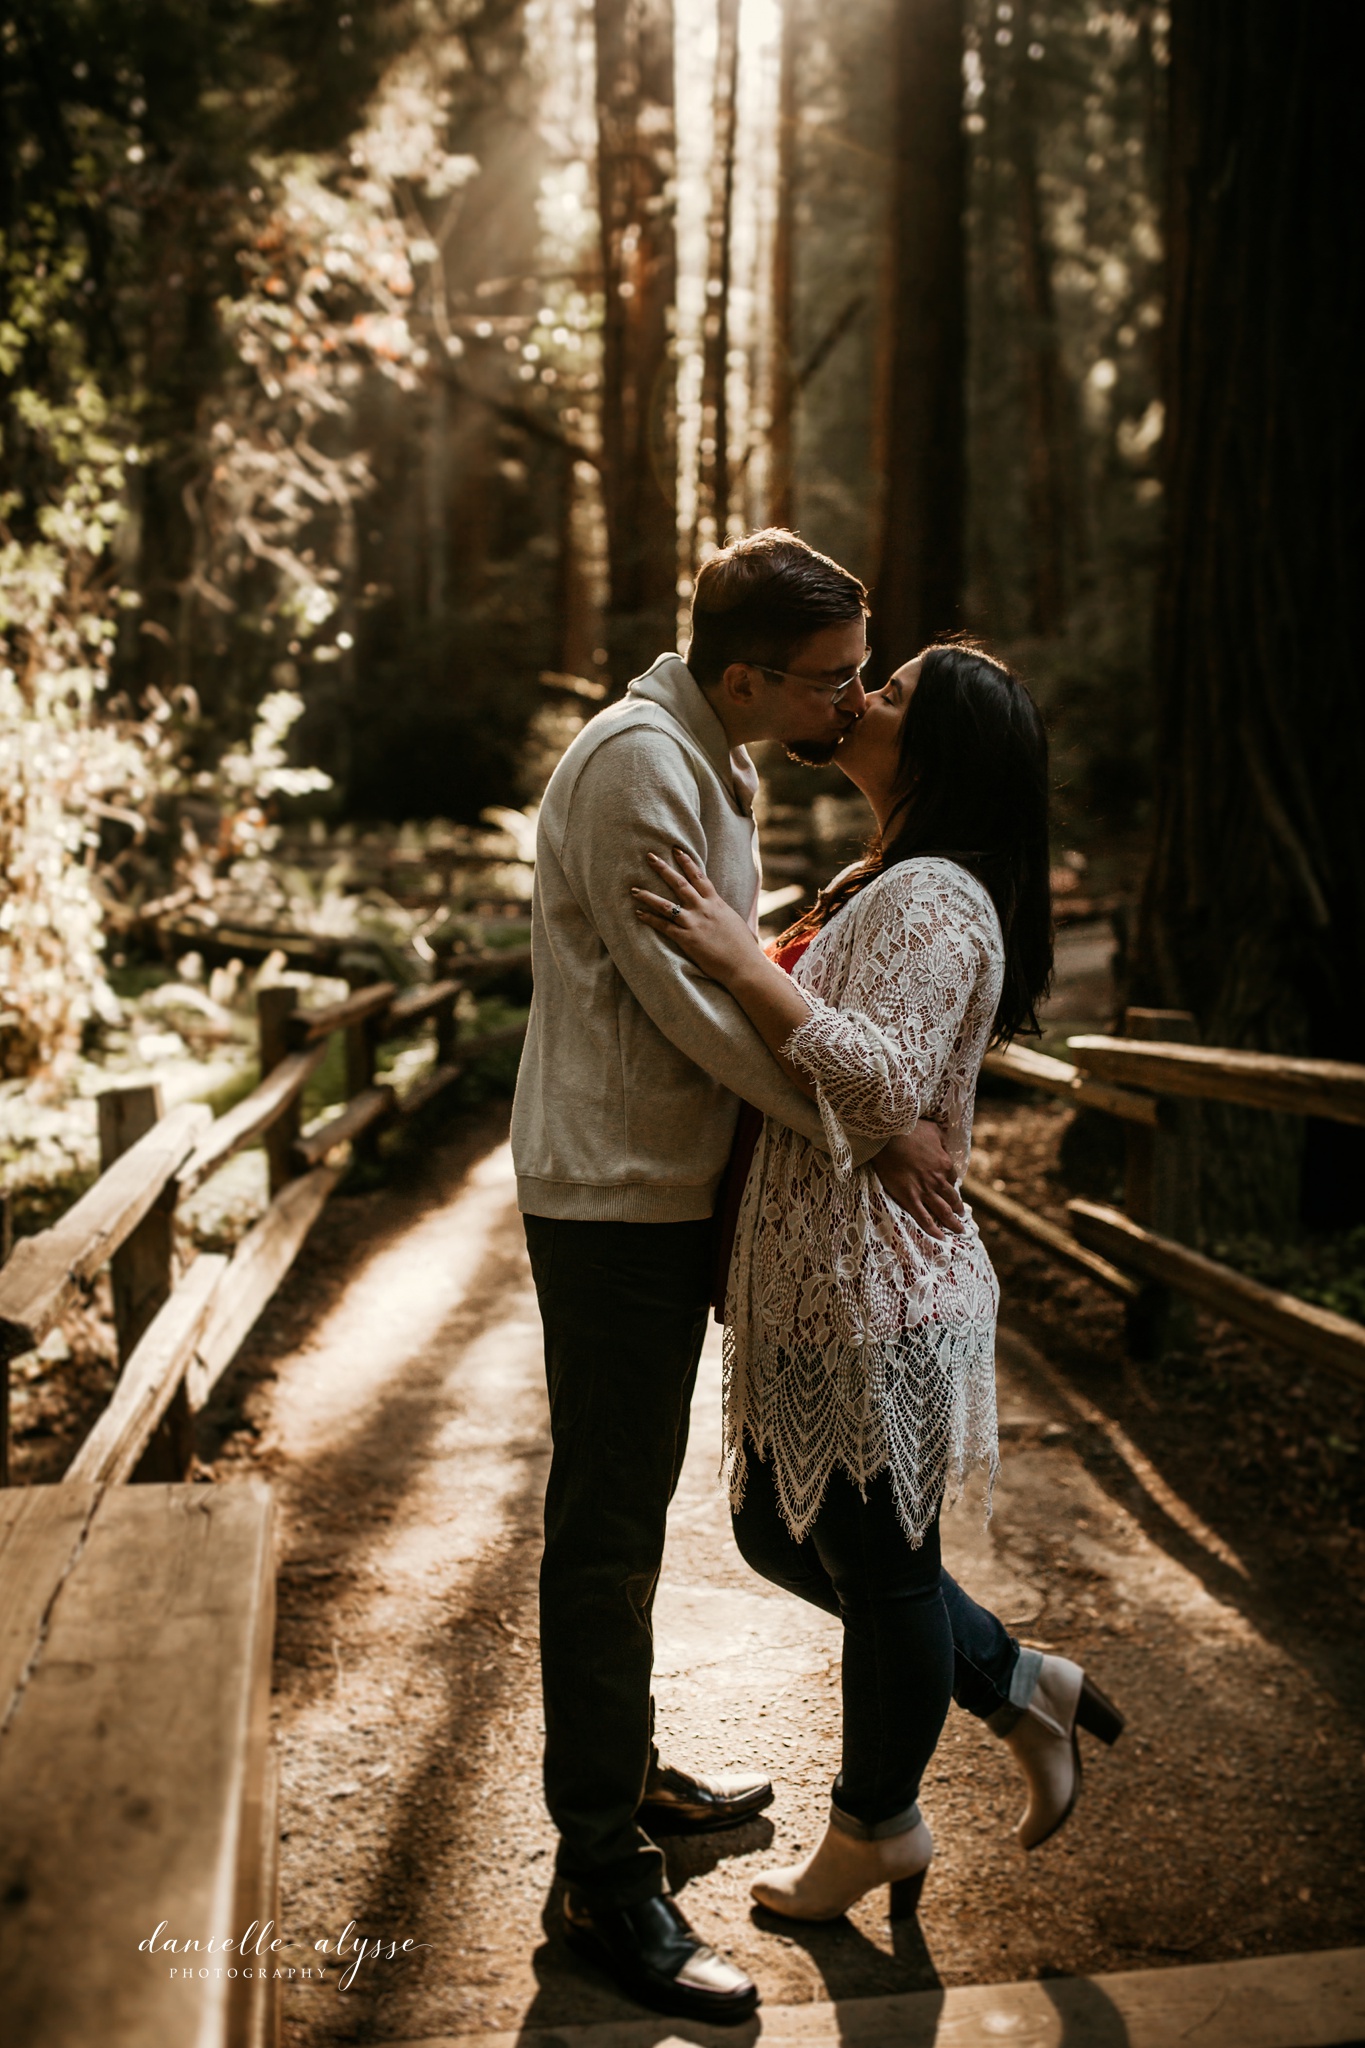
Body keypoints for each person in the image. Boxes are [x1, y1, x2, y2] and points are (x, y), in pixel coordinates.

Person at [511, 532, 967, 2025]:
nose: (852, 701)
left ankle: (624, 1772)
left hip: (665, 1188)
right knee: (605, 1521)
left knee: (637, 1507)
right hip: (613, 1196)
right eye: (832, 678)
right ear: (745, 673)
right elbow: (692, 1010)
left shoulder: (718, 752)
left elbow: (728, 969)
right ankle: (597, 1867)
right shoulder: (640, 763)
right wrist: (860, 1116)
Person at [632, 640, 1125, 1925]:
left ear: (937, 749)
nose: (862, 696)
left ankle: (877, 1825)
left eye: (892, 691)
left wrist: (740, 958)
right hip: (826, 1280)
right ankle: (1021, 1682)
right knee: (776, 1527)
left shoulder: (934, 900)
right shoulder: (890, 880)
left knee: (882, 1567)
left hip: (878, 1287)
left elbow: (880, 1080)